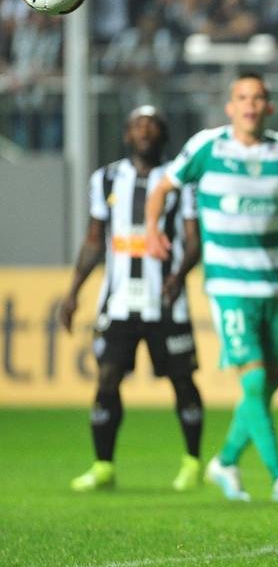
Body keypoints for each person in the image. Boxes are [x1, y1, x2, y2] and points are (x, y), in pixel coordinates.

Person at [146, 72, 278, 503]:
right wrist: (151, 229)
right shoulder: (207, 147)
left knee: (272, 381)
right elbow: (162, 187)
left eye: (258, 98)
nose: (250, 105)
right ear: (230, 107)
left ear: (268, 107)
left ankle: (226, 461)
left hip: (270, 286)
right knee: (254, 384)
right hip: (229, 286)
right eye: (242, 98)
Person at [61, 106, 204, 493]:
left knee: (182, 380)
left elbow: (193, 240)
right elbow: (94, 239)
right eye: (138, 125)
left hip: (167, 299)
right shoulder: (106, 179)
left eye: (153, 125)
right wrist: (73, 292)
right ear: (126, 135)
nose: (145, 131)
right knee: (107, 378)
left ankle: (192, 463)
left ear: (163, 134)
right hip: (119, 301)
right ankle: (103, 466)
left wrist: (177, 276)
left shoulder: (180, 179)